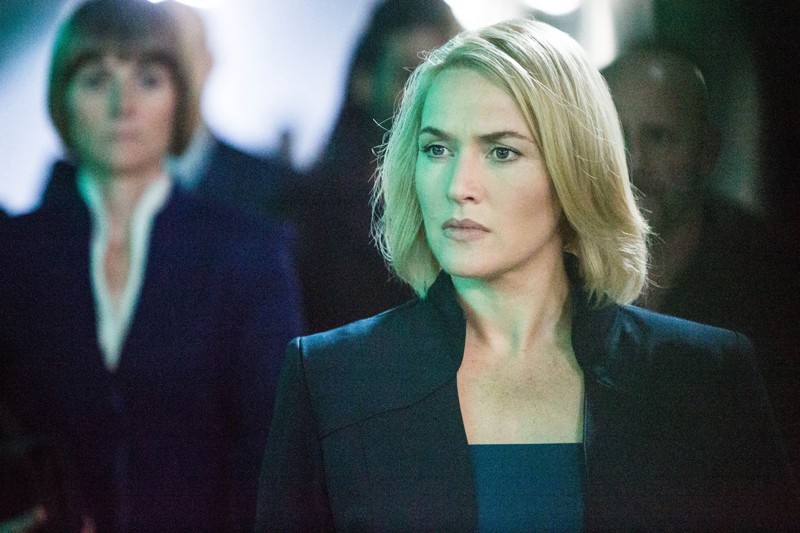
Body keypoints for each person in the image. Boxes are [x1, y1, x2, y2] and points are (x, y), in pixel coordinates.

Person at [256, 19, 795, 531]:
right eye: (437, 148)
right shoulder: (330, 378)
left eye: (501, 151)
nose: (459, 186)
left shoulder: (706, 376)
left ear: (575, 169)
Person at [0, 1, 303, 530]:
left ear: (181, 97)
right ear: (62, 98)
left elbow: (276, 451)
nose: (124, 105)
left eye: (148, 79)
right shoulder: (14, 254)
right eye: (96, 79)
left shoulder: (246, 253)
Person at [602, 46, 800, 471]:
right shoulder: (556, 271)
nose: (633, 162)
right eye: (614, 135)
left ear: (707, 151)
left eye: (659, 137)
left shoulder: (771, 285)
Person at [290, 0, 460, 333]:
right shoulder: (309, 218)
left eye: (447, 80)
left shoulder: (472, 214)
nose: (431, 99)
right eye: (410, 77)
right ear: (364, 81)